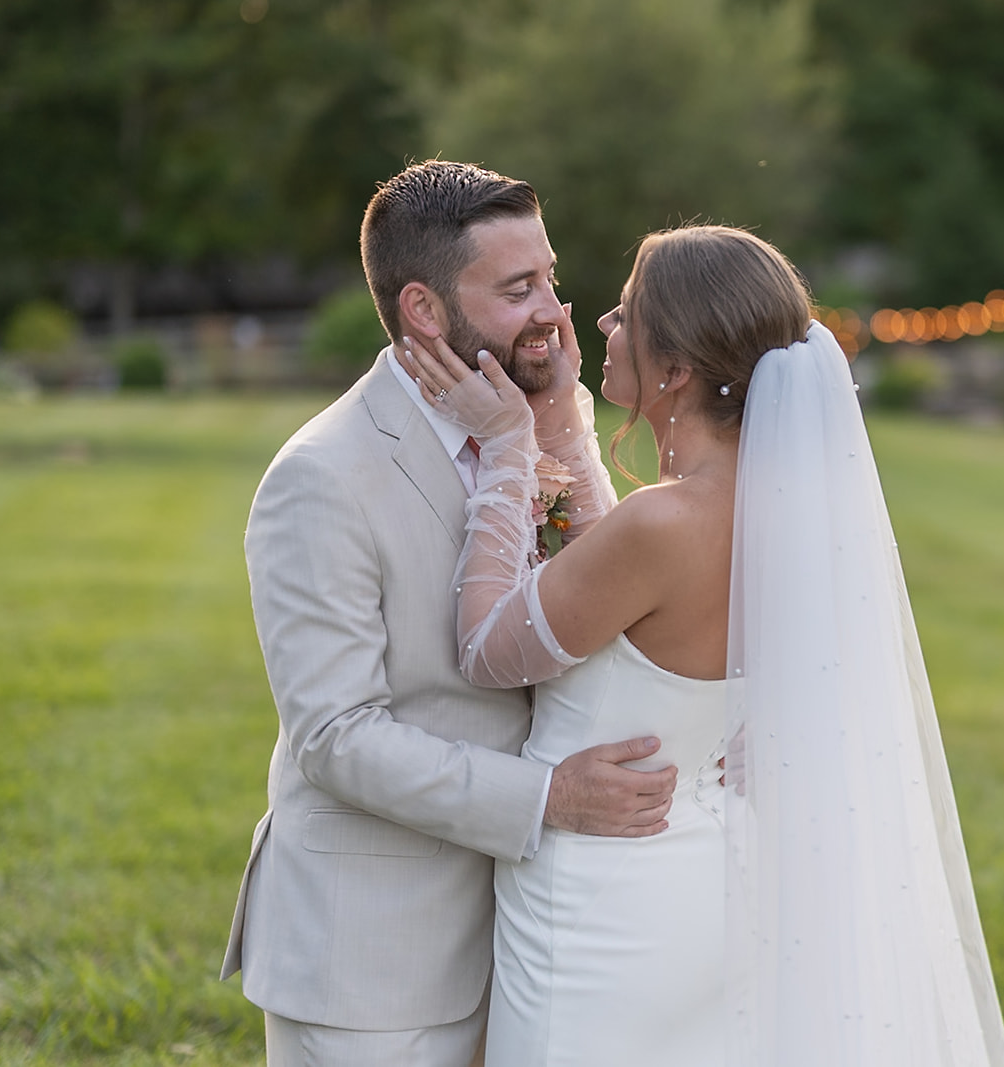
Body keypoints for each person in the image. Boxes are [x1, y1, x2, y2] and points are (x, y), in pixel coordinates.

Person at [397, 224, 1004, 1066]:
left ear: (678, 370)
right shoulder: (780, 512)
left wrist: (509, 448)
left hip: (600, 903)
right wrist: (564, 426)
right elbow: (613, 580)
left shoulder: (664, 523)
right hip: (704, 885)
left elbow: (486, 647)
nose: (601, 326)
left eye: (625, 315)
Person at [221, 160, 680, 1067]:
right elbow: (338, 736)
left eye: (551, 277)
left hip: (535, 943)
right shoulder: (321, 477)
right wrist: (553, 796)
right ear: (426, 310)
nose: (555, 311)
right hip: (375, 966)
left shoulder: (540, 413)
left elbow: (593, 604)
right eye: (519, 289)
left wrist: (555, 432)